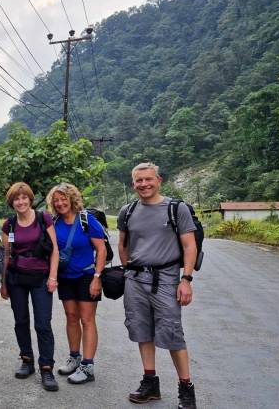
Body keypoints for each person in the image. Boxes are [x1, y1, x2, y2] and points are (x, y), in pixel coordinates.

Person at [117, 163, 197, 409]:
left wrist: (186, 279)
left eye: (148, 179)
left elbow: (189, 246)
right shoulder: (127, 211)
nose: (144, 184)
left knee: (173, 334)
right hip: (135, 281)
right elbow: (123, 245)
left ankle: (186, 389)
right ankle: (150, 382)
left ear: (158, 180)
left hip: (167, 279)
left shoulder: (176, 208)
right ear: (133, 184)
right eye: (139, 181)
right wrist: (129, 270)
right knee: (142, 331)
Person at [0, 182, 60, 391]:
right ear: (12, 202)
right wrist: (3, 282)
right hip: (16, 278)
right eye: (16, 198)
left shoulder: (44, 218)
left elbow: (54, 250)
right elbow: (6, 254)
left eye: (24, 197)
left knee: (43, 323)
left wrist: (53, 277)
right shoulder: (9, 225)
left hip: (41, 278)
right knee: (21, 321)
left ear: (30, 199)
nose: (21, 201)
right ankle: (27, 360)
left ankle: (46, 367)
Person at [46, 183, 107, 384]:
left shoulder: (86, 220)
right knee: (71, 317)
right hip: (65, 277)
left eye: (63, 198)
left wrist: (97, 277)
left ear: (72, 199)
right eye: (56, 200)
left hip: (87, 275)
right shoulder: (54, 222)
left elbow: (101, 250)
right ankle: (74, 358)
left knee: (87, 319)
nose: (60, 203)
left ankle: (88, 366)